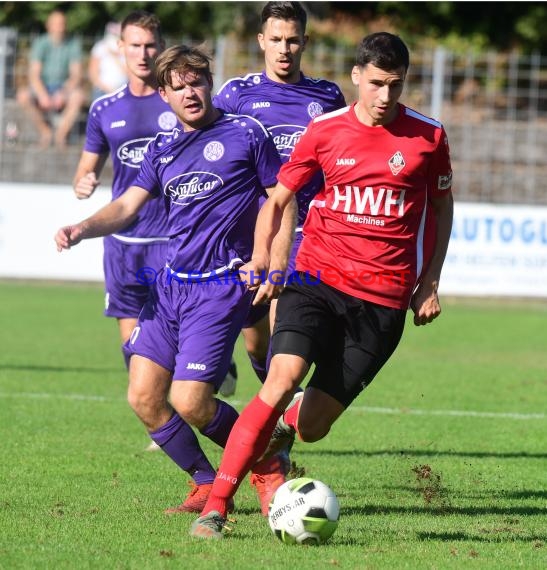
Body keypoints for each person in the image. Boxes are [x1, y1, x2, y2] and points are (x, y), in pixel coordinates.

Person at [190, 31, 454, 539]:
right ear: (356, 76)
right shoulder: (325, 130)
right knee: (280, 378)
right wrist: (266, 259)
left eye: (395, 85)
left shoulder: (430, 137)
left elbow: (441, 207)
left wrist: (430, 281)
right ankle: (216, 509)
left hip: (382, 300)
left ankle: (284, 429)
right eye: (375, 83)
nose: (384, 96)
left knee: (312, 426)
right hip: (316, 279)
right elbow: (278, 199)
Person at [55, 44, 295, 516]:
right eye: (179, 85)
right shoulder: (162, 150)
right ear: (164, 94)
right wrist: (81, 228)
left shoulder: (245, 132)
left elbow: (281, 201)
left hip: (222, 284)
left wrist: (269, 258)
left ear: (209, 82)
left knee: (190, 400)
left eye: (197, 81)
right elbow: (126, 206)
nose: (191, 92)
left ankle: (266, 460)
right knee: (144, 397)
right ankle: (206, 481)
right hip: (170, 287)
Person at [214, 1, 346, 396]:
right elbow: (211, 146)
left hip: (305, 232)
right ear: (261, 41)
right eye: (276, 39)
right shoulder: (237, 94)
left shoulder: (326, 97)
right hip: (248, 234)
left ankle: (279, 440)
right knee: (255, 341)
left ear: (305, 41)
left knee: (280, 337)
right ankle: (269, 402)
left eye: (292, 40)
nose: (284, 48)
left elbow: (342, 157)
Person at [73, 10, 172, 355]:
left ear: (161, 47)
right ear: (120, 48)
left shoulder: (181, 102)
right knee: (135, 353)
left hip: (174, 240)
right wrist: (83, 183)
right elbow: (86, 169)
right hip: (124, 242)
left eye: (149, 45)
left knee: (174, 351)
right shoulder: (104, 109)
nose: (143, 54)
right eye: (135, 45)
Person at [16, 9, 85, 148]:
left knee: (79, 96)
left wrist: (63, 93)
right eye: (57, 23)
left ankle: (61, 135)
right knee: (22, 96)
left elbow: (76, 75)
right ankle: (45, 132)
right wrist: (42, 95)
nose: (61, 27)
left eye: (62, 23)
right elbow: (34, 75)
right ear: (49, 25)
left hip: (63, 87)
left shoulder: (73, 43)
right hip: (43, 86)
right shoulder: (41, 43)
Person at [88, 21, 128, 99]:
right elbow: (93, 74)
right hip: (101, 91)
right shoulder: (100, 47)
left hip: (123, 91)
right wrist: (108, 90)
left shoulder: (127, 48)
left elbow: (128, 73)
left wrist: (114, 56)